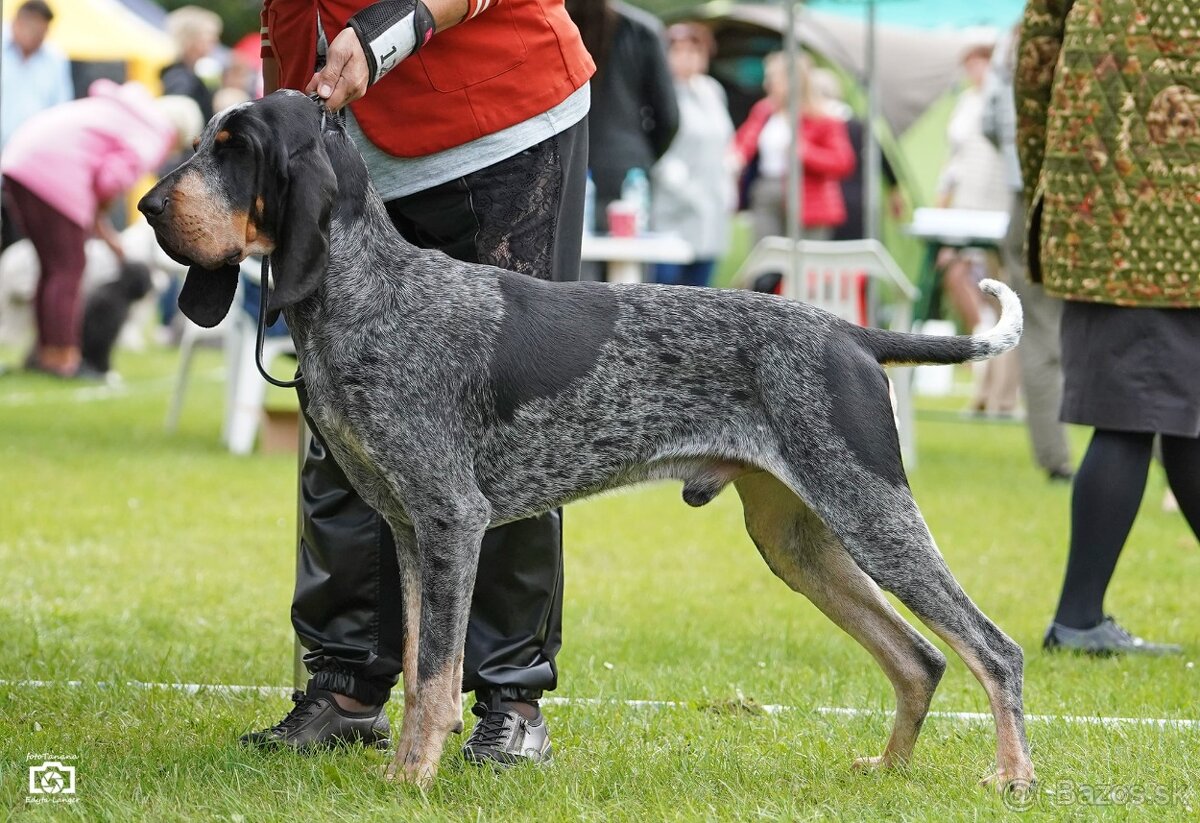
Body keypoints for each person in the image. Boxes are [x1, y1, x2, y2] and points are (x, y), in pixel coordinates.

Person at [244, 0, 593, 765]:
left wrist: (391, 32)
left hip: (495, 118)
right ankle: (346, 684)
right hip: (337, 149)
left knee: (509, 416)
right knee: (340, 411)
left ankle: (510, 695)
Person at [1017, 0, 1200, 654]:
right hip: (1171, 221)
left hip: (1094, 203)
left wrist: (1052, 181)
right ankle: (1078, 618)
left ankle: (1081, 616)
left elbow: (1035, 58)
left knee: (1177, 411)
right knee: (1137, 414)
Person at [0, 81, 200, 378]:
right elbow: (109, 180)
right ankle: (63, 358)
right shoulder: (154, 132)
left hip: (20, 160)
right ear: (178, 134)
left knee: (52, 267)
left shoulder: (129, 113)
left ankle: (45, 354)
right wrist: (104, 217)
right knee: (68, 268)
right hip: (53, 173)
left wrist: (105, 233)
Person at [982, 23, 1072, 481]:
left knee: (1038, 332)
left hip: (1025, 196)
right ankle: (1160, 449)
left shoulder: (1015, 39)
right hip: (1085, 196)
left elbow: (990, 120)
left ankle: (1056, 459)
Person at [934, 42, 1019, 416]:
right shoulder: (967, 102)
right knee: (961, 280)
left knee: (1001, 296)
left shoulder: (1002, 98)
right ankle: (984, 372)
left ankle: (1001, 393)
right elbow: (955, 160)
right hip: (966, 203)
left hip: (994, 203)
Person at [567, 0, 678, 233]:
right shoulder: (644, 31)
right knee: (630, 262)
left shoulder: (553, 27)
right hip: (629, 172)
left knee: (572, 262)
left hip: (566, 166)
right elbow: (669, 117)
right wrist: (642, 155)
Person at [732, 52, 855, 242]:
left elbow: (843, 162)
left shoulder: (822, 117)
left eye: (774, 78)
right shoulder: (764, 110)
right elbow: (745, 141)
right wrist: (736, 157)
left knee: (804, 262)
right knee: (766, 255)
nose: (768, 84)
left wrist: (805, 152)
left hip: (808, 197)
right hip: (766, 189)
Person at [649, 23, 733, 288]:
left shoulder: (712, 91)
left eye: (695, 51)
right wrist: (688, 190)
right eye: (679, 50)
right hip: (673, 209)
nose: (687, 57)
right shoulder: (659, 92)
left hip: (712, 209)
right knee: (667, 293)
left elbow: (724, 142)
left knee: (703, 295)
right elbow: (658, 150)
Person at [1, 0, 74, 252]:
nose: (39, 38)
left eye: (43, 33)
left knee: (22, 245)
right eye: (35, 31)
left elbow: (60, 112)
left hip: (31, 170)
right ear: (18, 23)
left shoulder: (55, 59)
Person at [161, 6, 222, 124]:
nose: (215, 40)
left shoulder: (185, 75)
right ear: (190, 37)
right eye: (210, 34)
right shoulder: (180, 78)